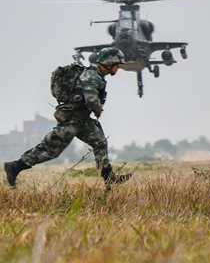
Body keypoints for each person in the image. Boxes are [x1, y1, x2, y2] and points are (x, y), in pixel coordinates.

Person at [4, 48, 132, 187]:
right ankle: (15, 167)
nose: (118, 68)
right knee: (49, 150)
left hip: (82, 120)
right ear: (109, 62)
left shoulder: (96, 75)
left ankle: (108, 177)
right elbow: (90, 99)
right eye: (117, 64)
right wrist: (98, 108)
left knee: (100, 142)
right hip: (72, 120)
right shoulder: (92, 75)